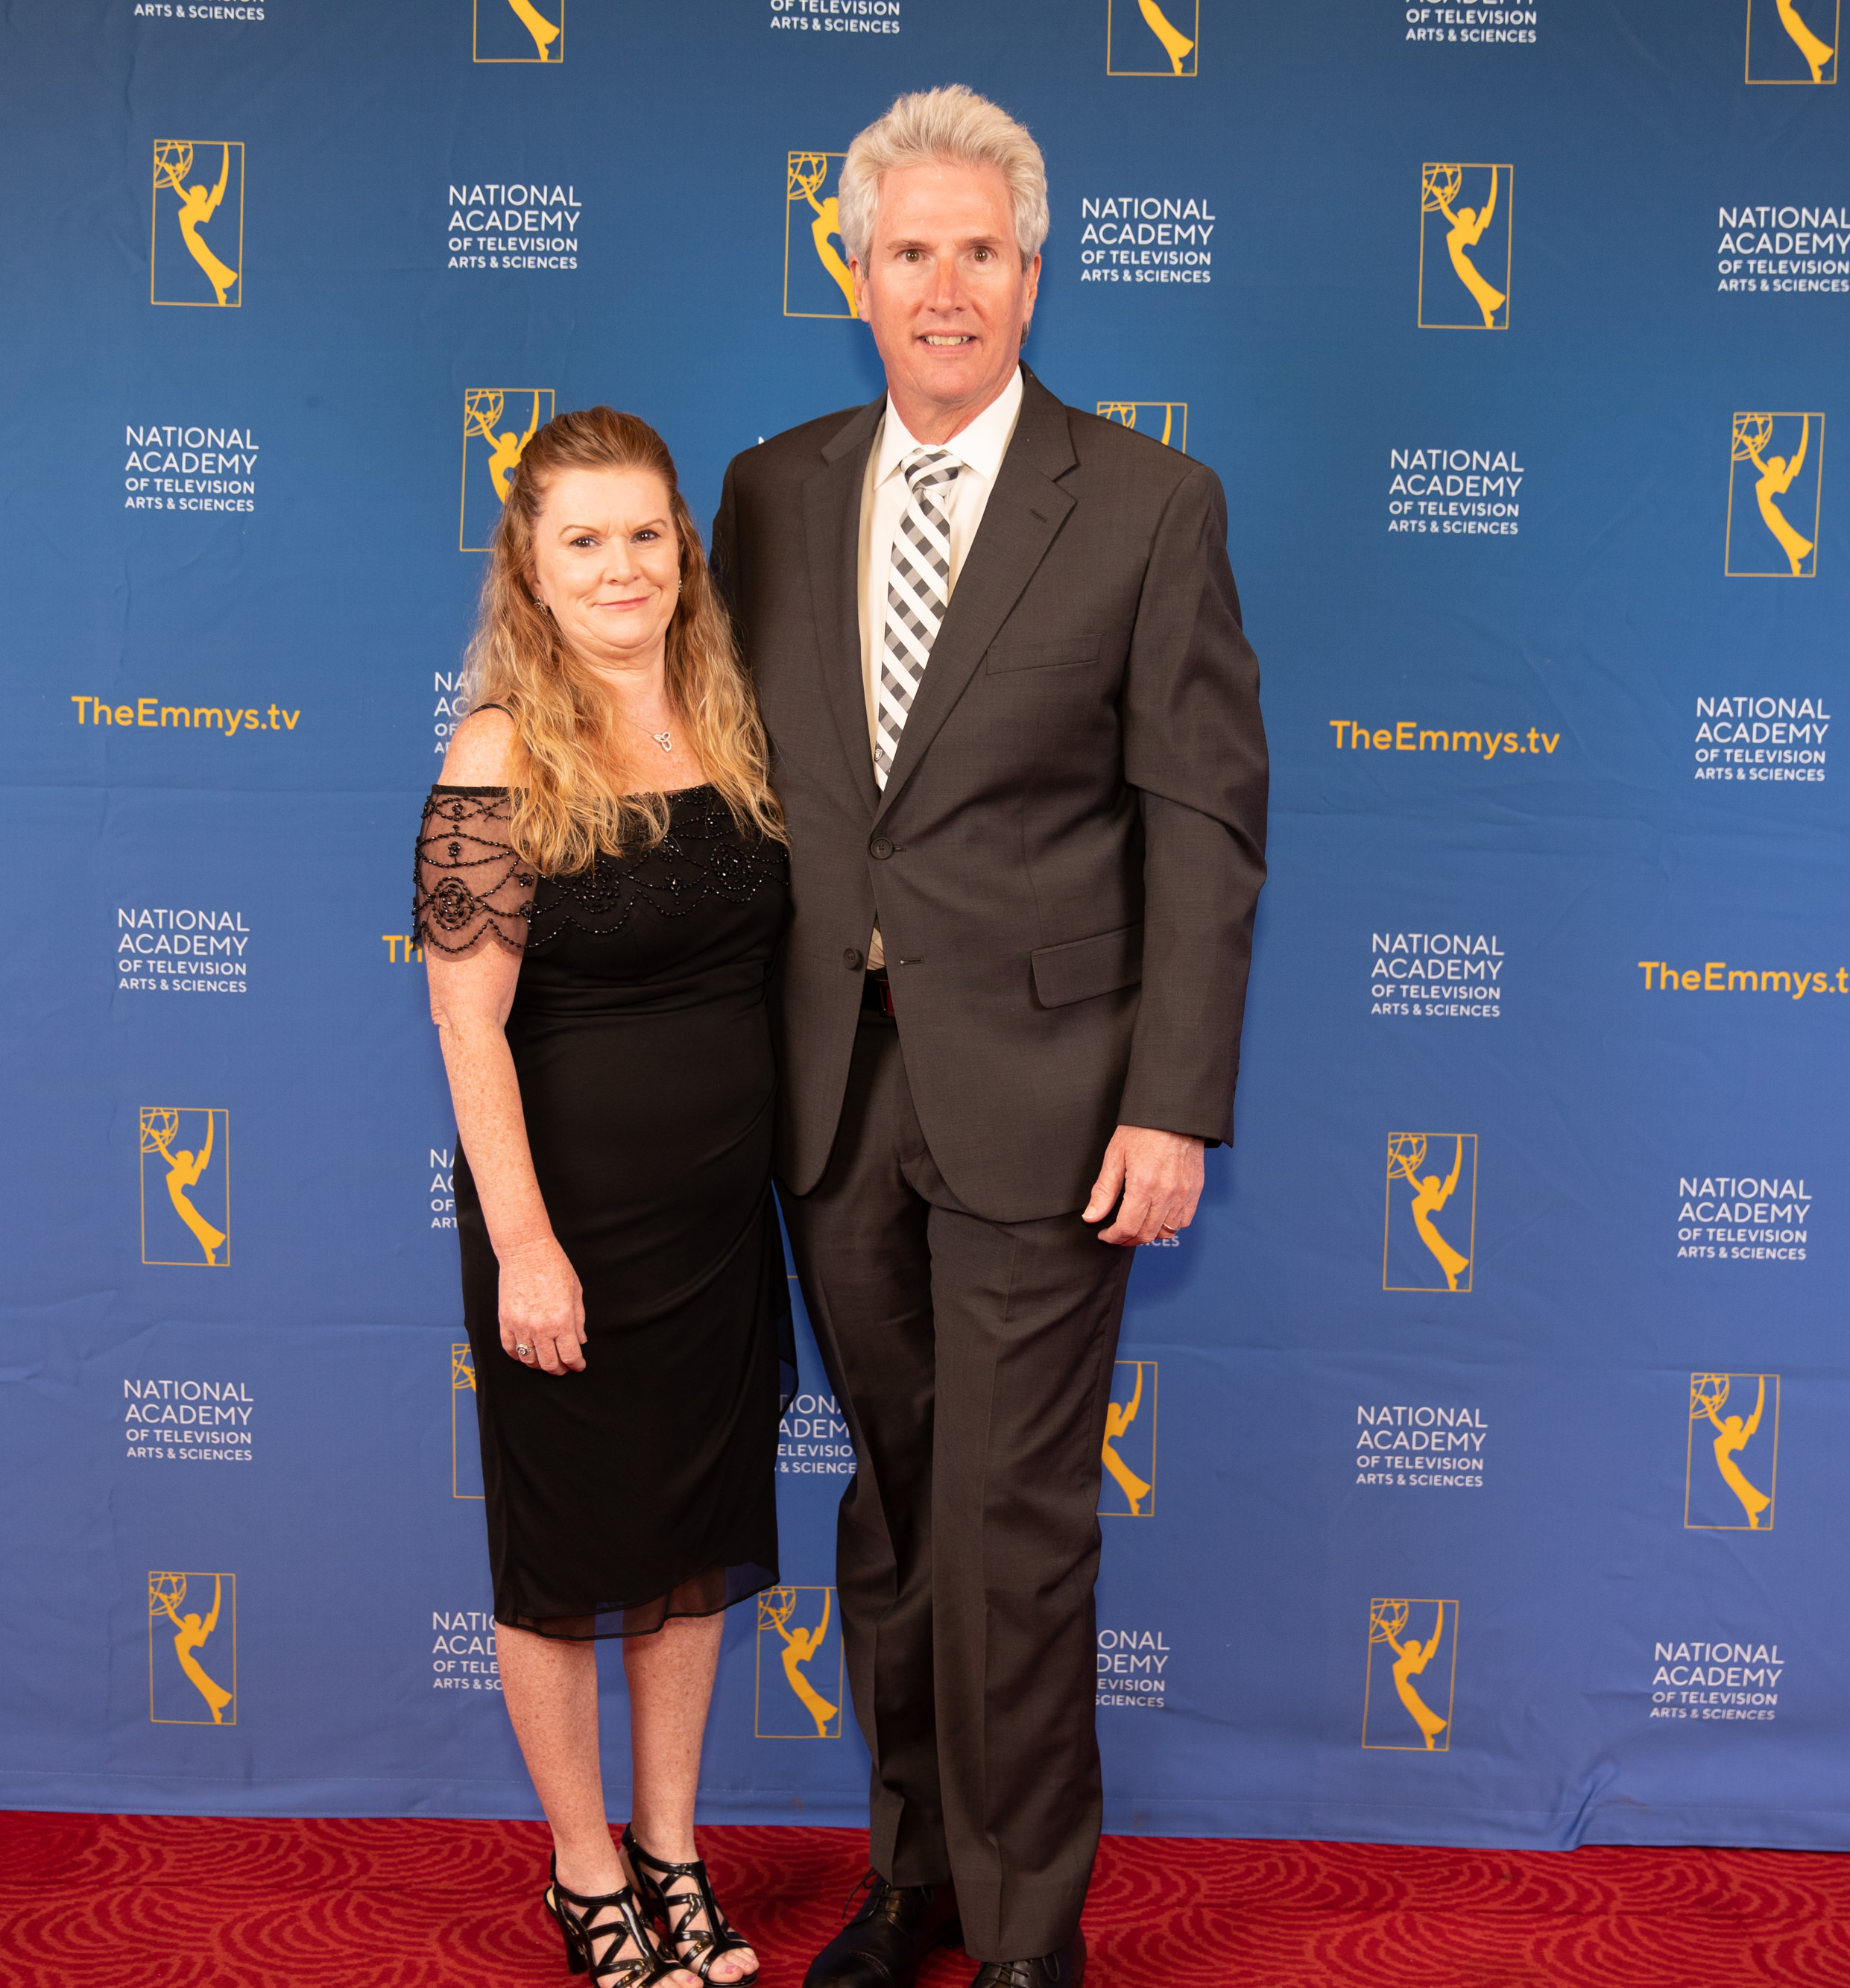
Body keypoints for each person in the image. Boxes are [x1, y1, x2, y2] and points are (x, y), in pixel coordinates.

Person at [710, 85, 1269, 1988]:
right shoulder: (771, 492)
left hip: (1051, 1097)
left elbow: (1201, 822)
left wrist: (1172, 1100)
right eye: (906, 252)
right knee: (891, 1506)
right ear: (851, 276)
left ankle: (1030, 1933)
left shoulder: (1147, 503)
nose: (941, 288)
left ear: (1034, 275)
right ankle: (914, 1879)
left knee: (1009, 1519)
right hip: (827, 1091)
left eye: (977, 251)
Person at [418, 407, 791, 1988]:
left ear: (682, 552)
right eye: (584, 539)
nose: (621, 566)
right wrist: (523, 1244)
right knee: (569, 1560)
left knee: (692, 1548)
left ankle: (672, 1851)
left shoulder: (736, 716)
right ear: (530, 564)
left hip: (721, 1231)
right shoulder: (496, 752)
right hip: (565, 1228)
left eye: (646, 533)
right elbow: (463, 1020)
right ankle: (585, 1873)